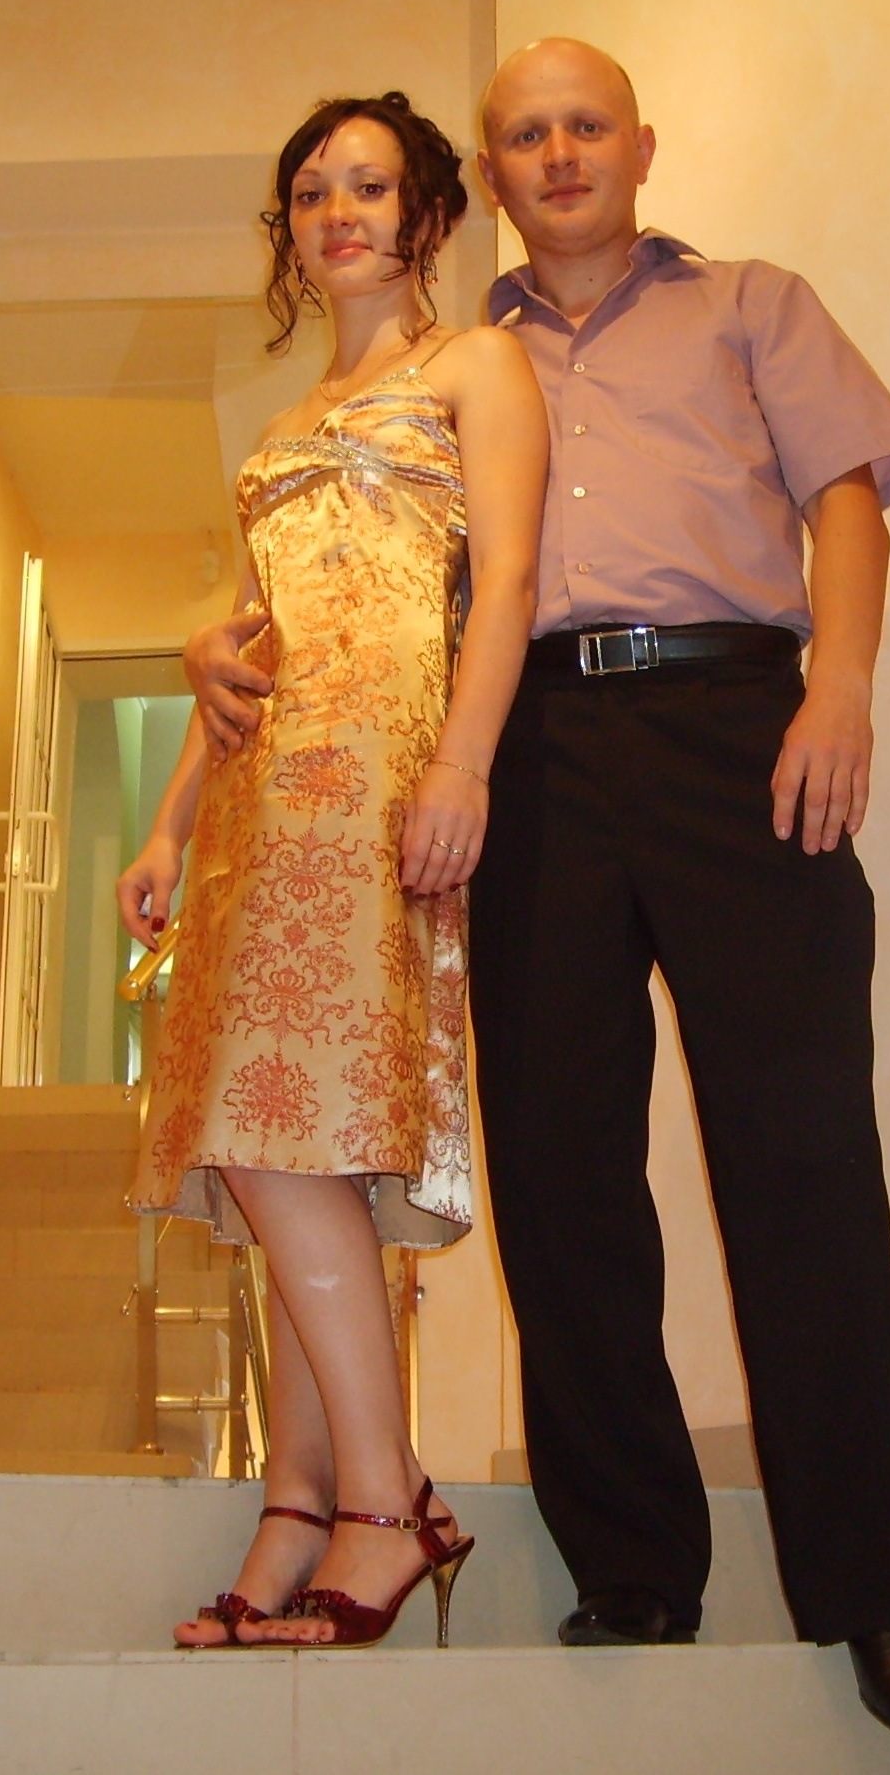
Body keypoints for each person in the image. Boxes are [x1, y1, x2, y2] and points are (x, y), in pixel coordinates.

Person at [181, 39, 890, 1746]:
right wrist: (215, 648)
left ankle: (872, 1592)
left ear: (640, 145)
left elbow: (848, 502)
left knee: (804, 1163)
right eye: (525, 133)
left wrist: (841, 685)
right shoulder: (459, 353)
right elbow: (356, 562)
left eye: (584, 125)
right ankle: (634, 1572)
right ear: (489, 172)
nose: (558, 154)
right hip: (528, 753)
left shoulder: (751, 303)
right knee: (561, 1173)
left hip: (740, 725)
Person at [116, 89, 547, 1650]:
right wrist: (170, 821)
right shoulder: (286, 419)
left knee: (292, 1130)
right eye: (310, 192)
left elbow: (510, 582)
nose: (337, 213)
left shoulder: (476, 364)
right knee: (272, 1137)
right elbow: (243, 648)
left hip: (375, 785)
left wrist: (462, 768)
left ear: (427, 214)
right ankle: (298, 1499)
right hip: (255, 809)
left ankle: (384, 1500)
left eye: (367, 186)